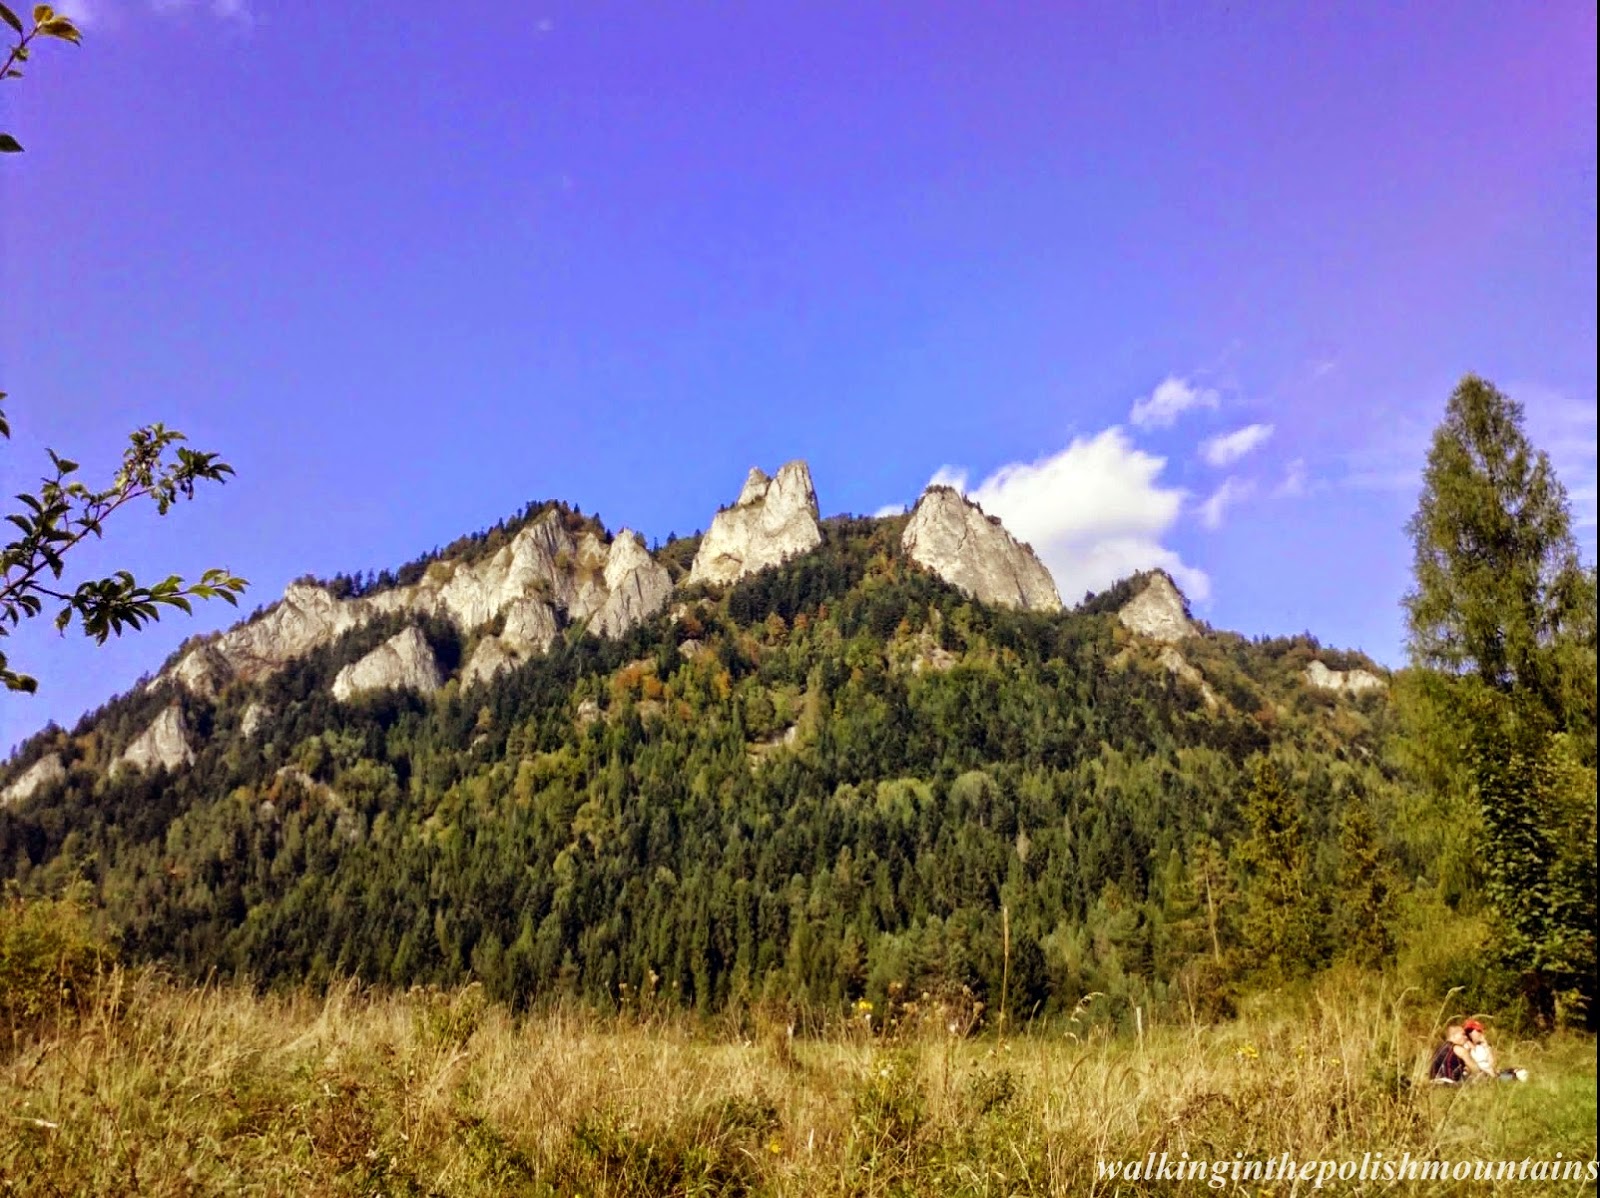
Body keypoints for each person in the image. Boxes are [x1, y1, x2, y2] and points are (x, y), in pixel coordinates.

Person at [1463, 1020, 1527, 1083]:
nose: (1481, 1033)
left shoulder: (1483, 1047)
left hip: (1493, 1074)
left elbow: (1492, 1064)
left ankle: (1510, 1077)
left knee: (1521, 1072)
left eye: (1480, 1031)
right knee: (1514, 1077)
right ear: (1469, 1033)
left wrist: (1486, 1045)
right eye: (1478, 1031)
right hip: (1483, 1077)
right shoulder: (1466, 1048)